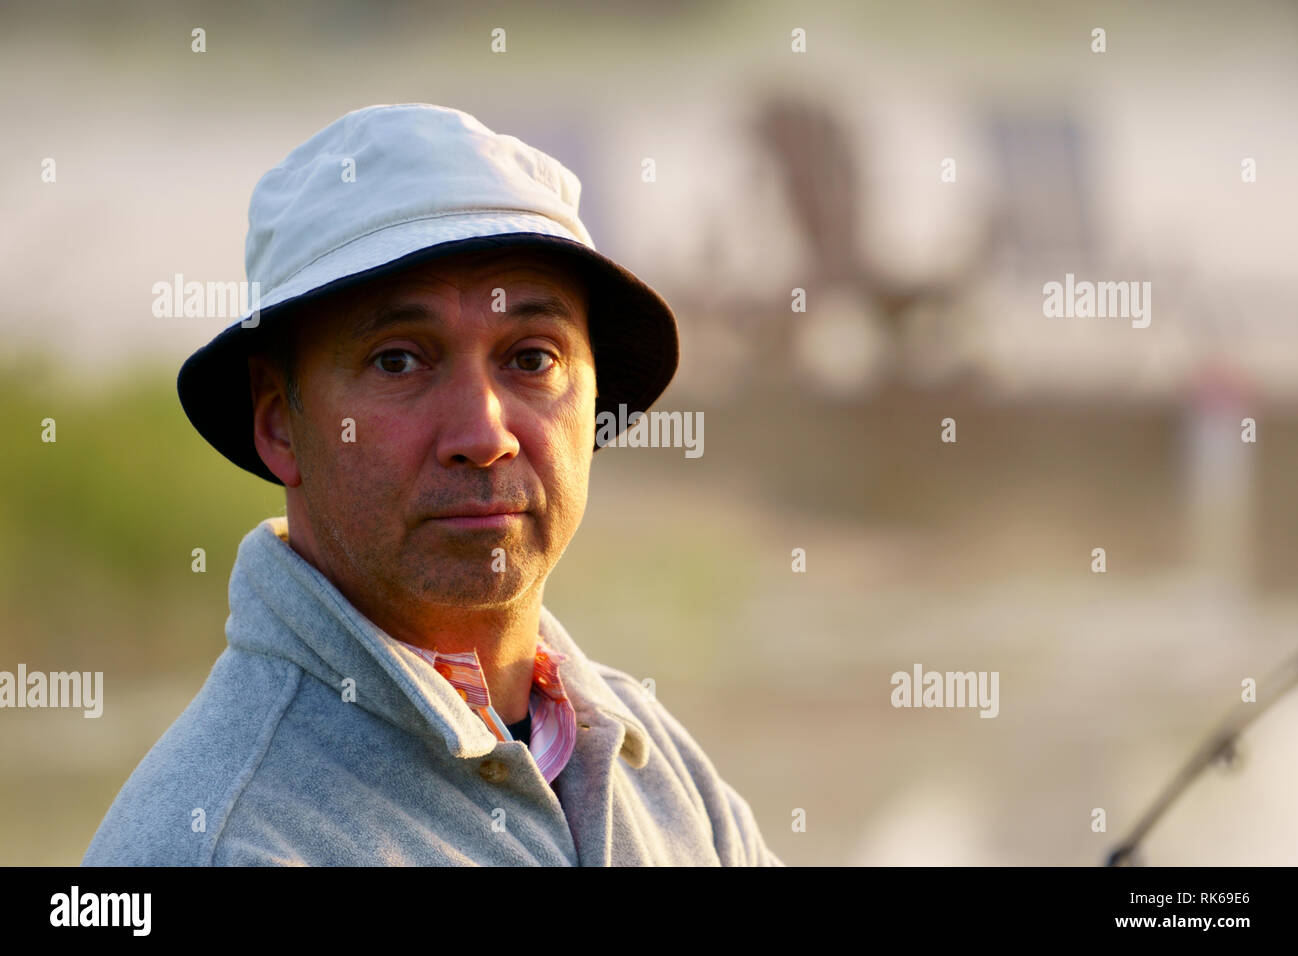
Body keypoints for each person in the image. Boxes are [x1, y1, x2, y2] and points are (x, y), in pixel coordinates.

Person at [82, 103, 783, 866]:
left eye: (532, 358)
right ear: (281, 423)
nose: (483, 436)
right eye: (398, 360)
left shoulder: (664, 777)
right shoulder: (227, 842)